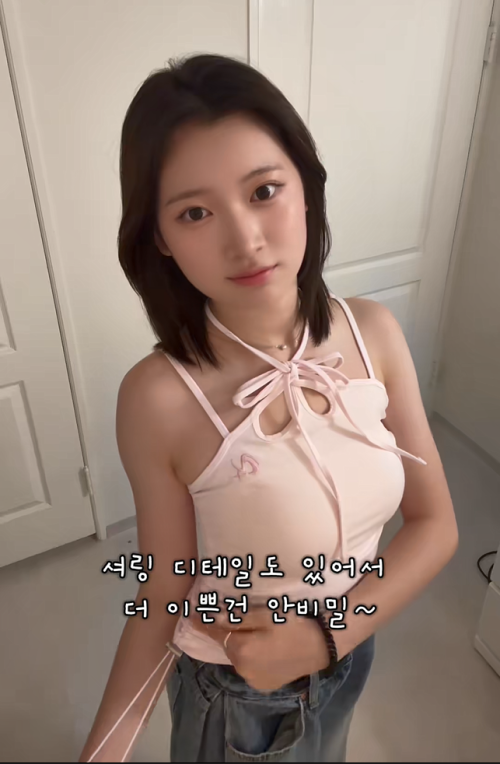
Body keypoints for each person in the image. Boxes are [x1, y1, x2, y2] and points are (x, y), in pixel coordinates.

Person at [79, 53, 458, 763]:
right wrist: (104, 750)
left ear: (306, 187)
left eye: (264, 190)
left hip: (349, 654)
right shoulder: (159, 398)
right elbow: (165, 590)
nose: (245, 239)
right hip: (237, 695)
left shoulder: (374, 333)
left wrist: (330, 635)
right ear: (159, 237)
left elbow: (435, 524)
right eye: (195, 212)